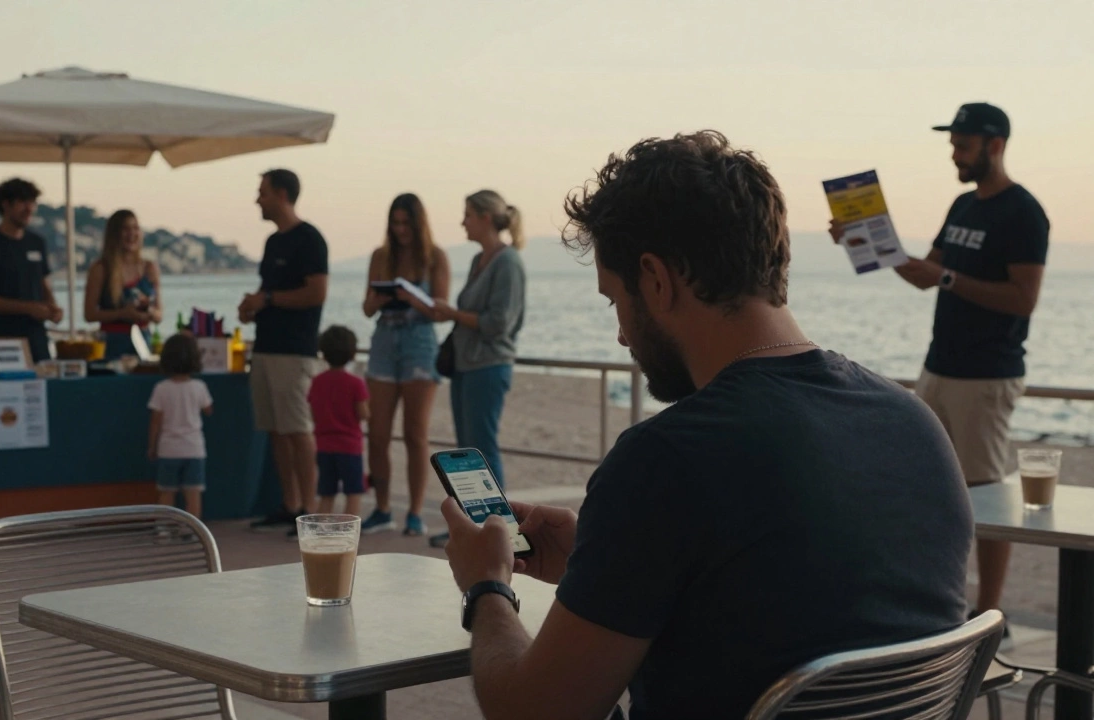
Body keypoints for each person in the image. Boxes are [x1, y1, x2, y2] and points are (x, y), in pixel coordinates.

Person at [442, 132, 973, 719]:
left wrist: (486, 587)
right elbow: (797, 606)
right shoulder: (914, 425)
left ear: (656, 279)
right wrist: (607, 568)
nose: (621, 334)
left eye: (615, 301)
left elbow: (530, 713)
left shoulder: (665, 460)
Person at [830, 103, 1047, 639]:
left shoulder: (1024, 213)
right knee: (929, 479)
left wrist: (946, 277)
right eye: (952, 142)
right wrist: (867, 242)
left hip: (987, 374)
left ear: (994, 145)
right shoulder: (962, 205)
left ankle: (991, 616)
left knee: (987, 491)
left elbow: (1024, 298)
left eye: (962, 143)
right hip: (939, 366)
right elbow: (925, 276)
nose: (954, 152)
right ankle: (938, 600)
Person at [428, 190, 525, 549]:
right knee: (466, 452)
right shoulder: (478, 260)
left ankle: (500, 532)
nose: (463, 222)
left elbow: (499, 322)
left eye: (467, 214)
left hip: (489, 365)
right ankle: (472, 526)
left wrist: (452, 314)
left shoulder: (508, 262)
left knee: (482, 449)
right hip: (467, 366)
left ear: (486, 217)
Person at [238, 169, 328, 532]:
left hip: (294, 350)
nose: (257, 199)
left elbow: (316, 292)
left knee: (297, 428)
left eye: (262, 192)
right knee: (275, 429)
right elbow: (269, 291)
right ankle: (290, 504)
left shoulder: (310, 239)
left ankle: (310, 508)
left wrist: (269, 299)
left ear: (281, 194)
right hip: (265, 347)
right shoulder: (273, 242)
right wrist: (253, 306)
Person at [359, 194, 450, 536]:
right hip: (384, 341)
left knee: (416, 434)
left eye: (405, 223)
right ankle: (382, 508)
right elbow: (367, 309)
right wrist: (378, 298)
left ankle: (414, 512)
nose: (400, 230)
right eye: (395, 223)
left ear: (418, 224)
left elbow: (440, 310)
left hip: (419, 342)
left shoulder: (435, 257)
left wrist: (415, 298)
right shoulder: (380, 256)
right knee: (378, 433)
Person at [0, 178, 62, 363]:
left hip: (37, 337)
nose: (29, 208)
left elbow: (43, 284)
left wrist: (52, 307)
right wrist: (28, 308)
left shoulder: (37, 243)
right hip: (2, 339)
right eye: (23, 202)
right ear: (6, 205)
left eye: (32, 203)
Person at [304, 326, 370, 521]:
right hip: (350, 447)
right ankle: (349, 531)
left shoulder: (318, 381)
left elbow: (313, 412)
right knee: (353, 492)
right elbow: (363, 413)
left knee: (326, 493)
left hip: (324, 446)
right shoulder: (355, 383)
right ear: (352, 354)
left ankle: (322, 531)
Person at [147, 332, 213, 520]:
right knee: (193, 494)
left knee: (166, 493)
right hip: (194, 449)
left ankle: (163, 529)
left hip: (169, 450)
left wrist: (152, 446)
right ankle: (194, 532)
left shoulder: (161, 388)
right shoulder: (199, 386)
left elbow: (155, 421)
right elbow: (208, 409)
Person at [84, 209, 161, 360]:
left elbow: (159, 314)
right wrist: (122, 314)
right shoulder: (100, 269)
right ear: (114, 234)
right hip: (112, 345)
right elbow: (89, 314)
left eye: (135, 228)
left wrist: (148, 312)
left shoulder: (149, 268)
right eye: (125, 229)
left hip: (143, 344)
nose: (131, 234)